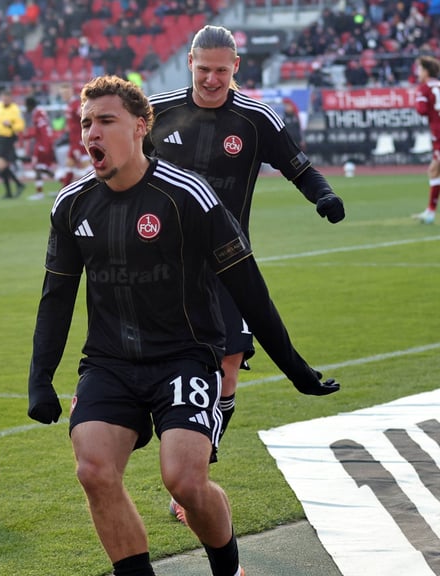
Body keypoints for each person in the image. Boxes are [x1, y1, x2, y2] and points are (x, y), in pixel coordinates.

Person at [26, 74, 340, 576]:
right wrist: (40, 377)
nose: (92, 134)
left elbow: (249, 291)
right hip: (109, 364)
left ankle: (227, 569)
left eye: (106, 121)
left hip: (184, 357)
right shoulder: (72, 204)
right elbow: (56, 297)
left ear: (141, 126)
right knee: (94, 471)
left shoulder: (187, 195)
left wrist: (295, 367)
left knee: (185, 482)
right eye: (86, 123)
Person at [146, 24, 345, 525]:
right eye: (203, 68)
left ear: (237, 67)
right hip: (162, 269)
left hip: (229, 265)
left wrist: (322, 195)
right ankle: (180, 460)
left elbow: (299, 167)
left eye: (221, 70)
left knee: (227, 370)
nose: (211, 79)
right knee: (167, 369)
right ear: (189, 63)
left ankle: (194, 475)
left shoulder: (256, 119)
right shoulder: (156, 112)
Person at [413, 55, 440, 225]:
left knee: (434, 170)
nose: (417, 72)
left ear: (426, 70)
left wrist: (417, 99)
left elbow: (422, 110)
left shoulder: (424, 88)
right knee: (433, 170)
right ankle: (430, 211)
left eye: (419, 68)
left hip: (439, 134)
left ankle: (430, 212)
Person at [0, 89, 25, 199]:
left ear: (10, 98)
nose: (4, 100)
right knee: (1, 166)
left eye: (7, 98)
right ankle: (16, 186)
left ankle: (14, 187)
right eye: (3, 98)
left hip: (9, 137)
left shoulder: (15, 109)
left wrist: (11, 125)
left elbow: (21, 126)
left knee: (0, 164)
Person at [23, 96, 56, 200]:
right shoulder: (40, 112)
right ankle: (40, 192)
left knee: (38, 167)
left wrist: (45, 146)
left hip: (43, 145)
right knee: (38, 168)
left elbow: (42, 130)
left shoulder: (37, 114)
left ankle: (61, 179)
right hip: (43, 143)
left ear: (29, 105)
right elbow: (40, 131)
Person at [59, 84, 90, 190]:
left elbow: (85, 117)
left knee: (86, 164)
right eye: (62, 93)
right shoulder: (69, 105)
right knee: (69, 165)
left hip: (79, 140)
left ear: (71, 92)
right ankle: (64, 190)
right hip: (73, 140)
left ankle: (95, 187)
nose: (64, 95)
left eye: (66, 93)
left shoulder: (76, 104)